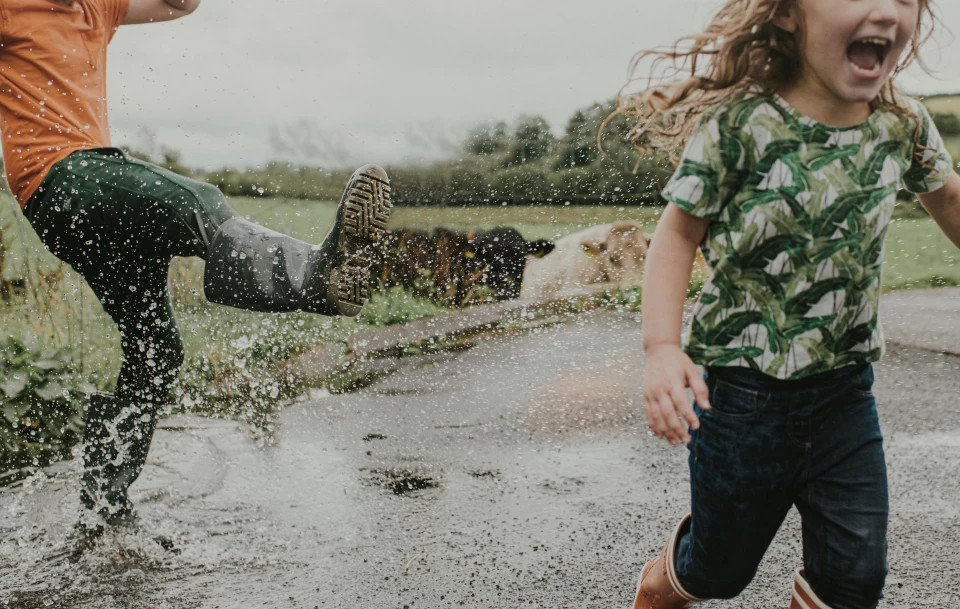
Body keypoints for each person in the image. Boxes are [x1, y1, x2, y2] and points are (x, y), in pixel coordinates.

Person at [0, 0, 392, 550]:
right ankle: (314, 276)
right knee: (198, 203)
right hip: (61, 179)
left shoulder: (97, 6)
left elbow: (178, 4)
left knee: (156, 348)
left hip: (94, 200)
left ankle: (103, 511)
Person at [623, 0, 960, 607]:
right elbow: (677, 233)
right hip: (741, 396)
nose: (887, 10)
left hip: (845, 392)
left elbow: (951, 200)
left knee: (854, 577)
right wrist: (662, 348)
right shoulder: (741, 123)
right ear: (786, 15)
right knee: (719, 572)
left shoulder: (901, 121)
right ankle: (660, 584)